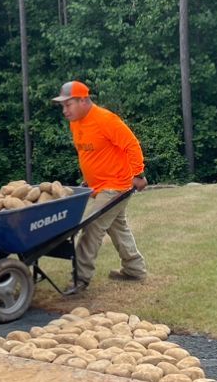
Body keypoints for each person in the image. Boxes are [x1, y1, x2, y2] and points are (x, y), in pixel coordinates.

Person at [51, 80, 149, 295]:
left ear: (84, 100)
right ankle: (135, 269)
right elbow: (91, 153)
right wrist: (90, 179)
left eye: (68, 104)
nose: (65, 110)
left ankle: (80, 279)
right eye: (63, 106)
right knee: (118, 227)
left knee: (92, 227)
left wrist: (138, 174)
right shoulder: (76, 122)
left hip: (116, 185)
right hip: (99, 185)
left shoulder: (105, 119)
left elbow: (131, 145)